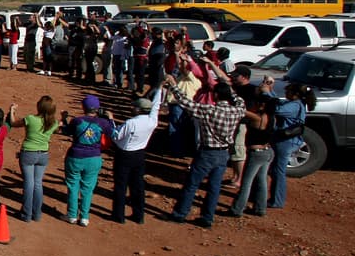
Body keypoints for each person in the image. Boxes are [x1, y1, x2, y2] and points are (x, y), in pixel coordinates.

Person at [164, 78, 245, 229]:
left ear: (215, 95)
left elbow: (185, 102)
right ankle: (207, 218)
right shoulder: (237, 111)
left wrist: (174, 86)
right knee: (214, 187)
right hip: (224, 153)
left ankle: (180, 214)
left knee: (192, 184)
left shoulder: (208, 111)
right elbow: (240, 102)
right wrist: (231, 92)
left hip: (207, 152)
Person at [107, 87, 164, 224]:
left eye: (134, 107)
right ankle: (139, 215)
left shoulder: (131, 123)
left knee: (121, 185)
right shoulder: (152, 121)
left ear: (138, 109)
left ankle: (118, 215)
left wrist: (111, 120)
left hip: (124, 155)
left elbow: (116, 136)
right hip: (139, 155)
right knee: (137, 186)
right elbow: (156, 105)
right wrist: (160, 89)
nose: (132, 108)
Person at [59, 95, 114, 226]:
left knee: (73, 186)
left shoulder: (77, 121)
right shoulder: (103, 123)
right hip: (94, 157)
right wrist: (111, 119)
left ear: (83, 107)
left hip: (75, 156)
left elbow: (66, 131)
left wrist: (64, 119)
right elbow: (113, 133)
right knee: (88, 188)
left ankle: (72, 215)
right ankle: (84, 217)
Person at [7, 96, 60, 222]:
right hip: (43, 155)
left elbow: (14, 123)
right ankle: (37, 214)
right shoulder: (54, 123)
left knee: (28, 184)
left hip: (28, 153)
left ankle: (26, 214)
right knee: (37, 184)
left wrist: (12, 111)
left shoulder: (31, 119)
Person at [268, 80, 314, 209]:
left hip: (285, 142)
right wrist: (270, 91)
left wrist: (267, 94)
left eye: (288, 91)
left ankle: (277, 201)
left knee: (278, 171)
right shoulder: (296, 103)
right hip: (287, 141)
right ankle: (276, 199)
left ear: (295, 94)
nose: (285, 93)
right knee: (276, 170)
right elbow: (278, 102)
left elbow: (276, 108)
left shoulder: (294, 106)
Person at [230, 91, 273, 217]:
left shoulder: (257, 118)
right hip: (267, 152)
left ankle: (237, 209)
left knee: (246, 183)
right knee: (262, 181)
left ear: (261, 105)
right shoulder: (271, 117)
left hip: (256, 154)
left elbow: (240, 110)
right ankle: (260, 208)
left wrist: (233, 95)